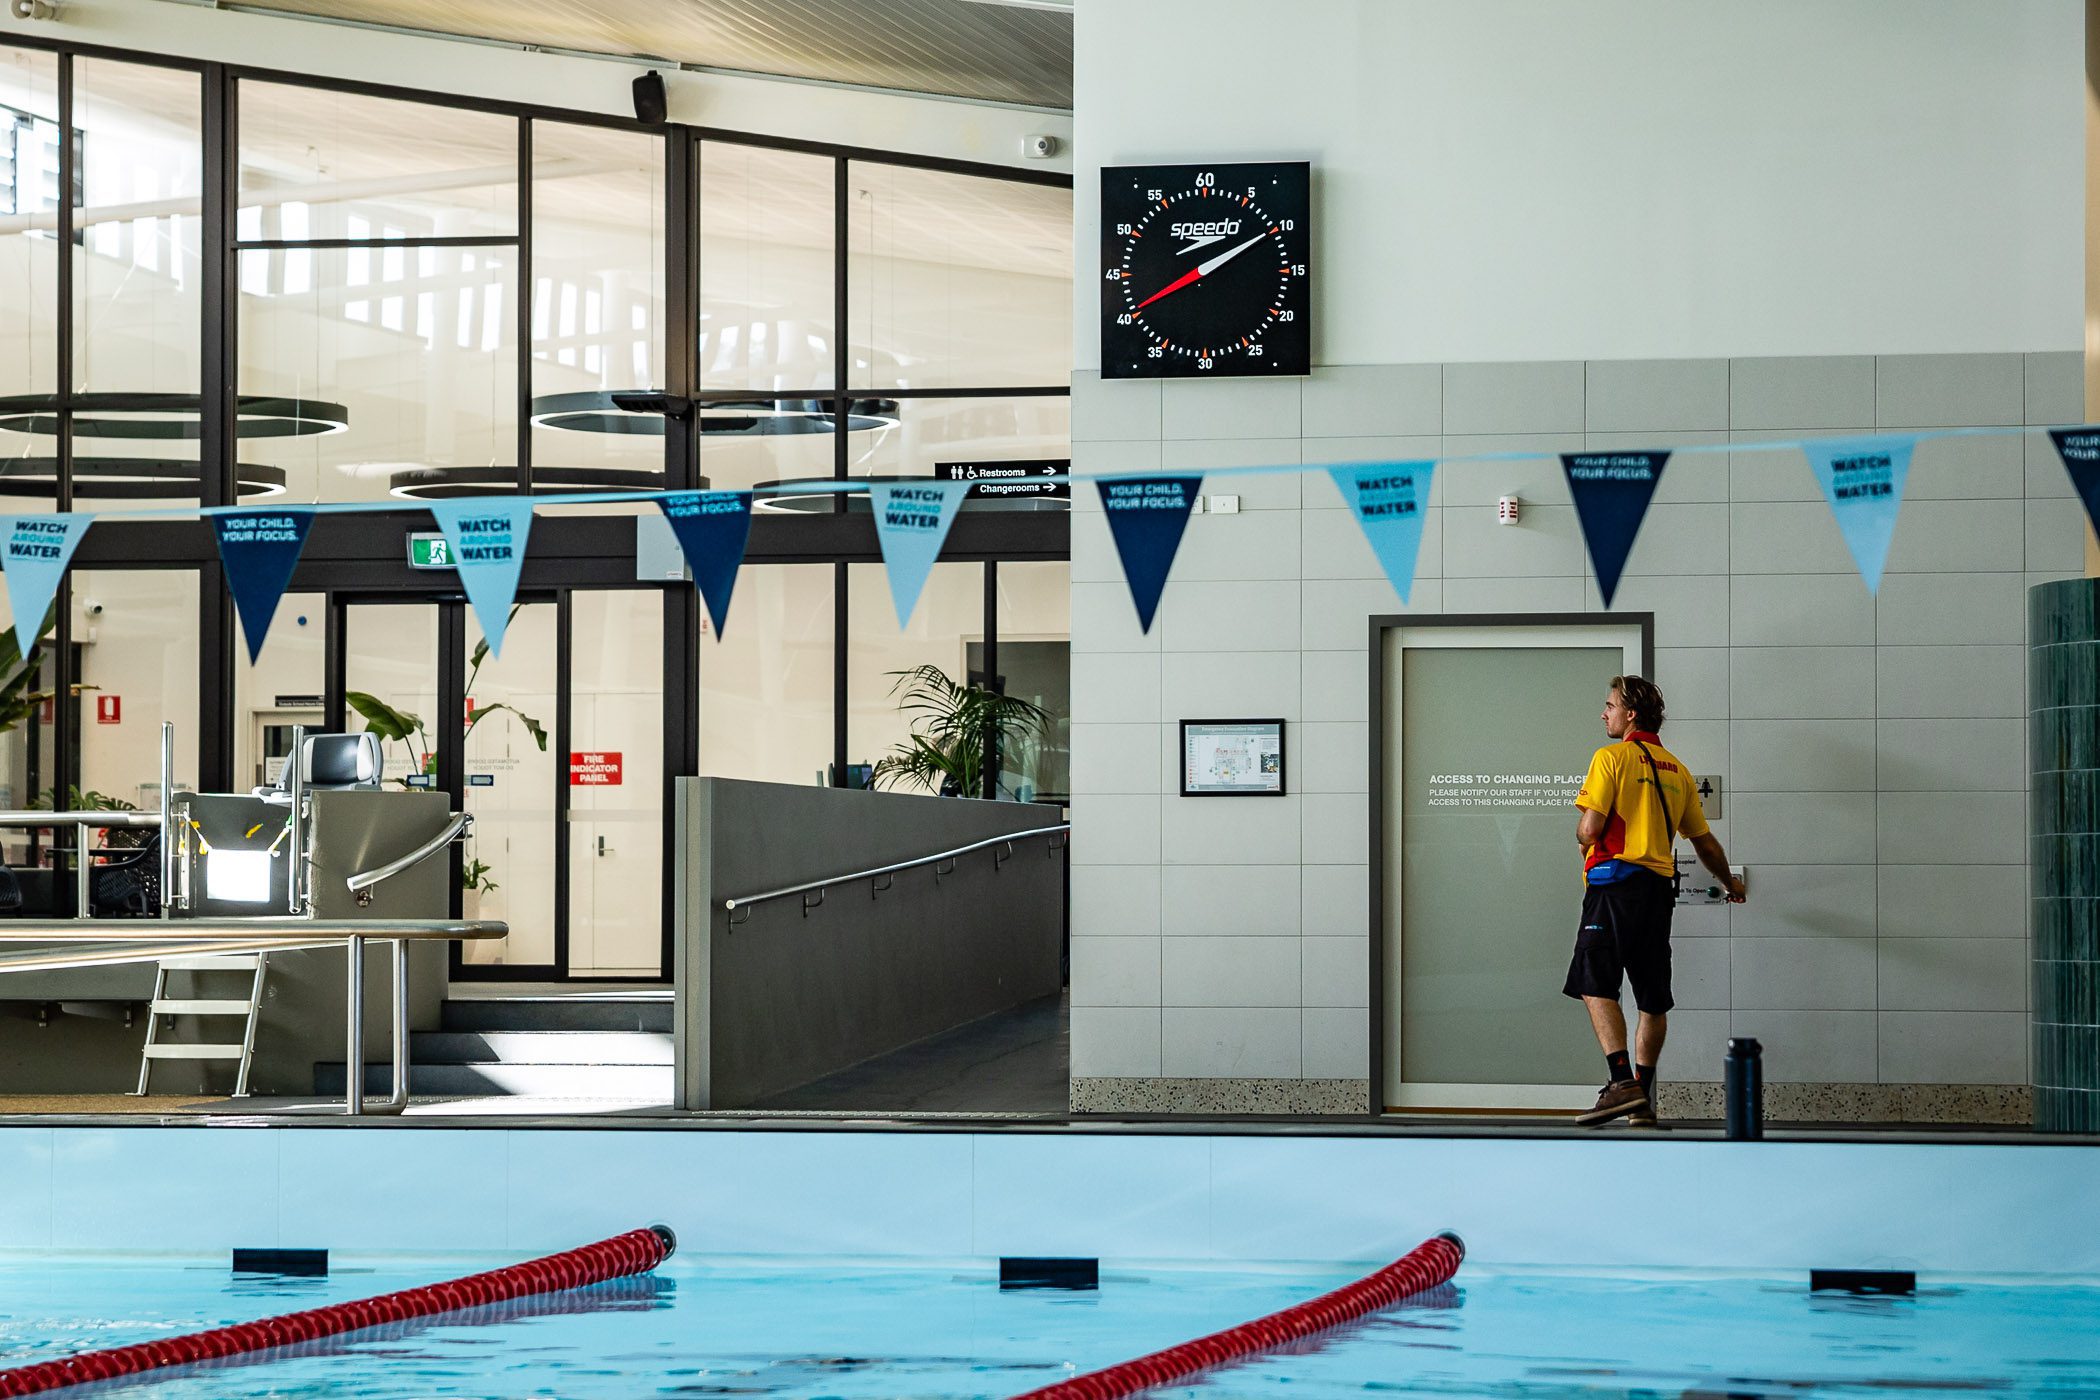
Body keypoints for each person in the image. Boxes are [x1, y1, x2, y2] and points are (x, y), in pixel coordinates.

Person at [1565, 674, 1744, 1128]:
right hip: (1657, 894)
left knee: (1594, 981)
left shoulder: (1611, 758)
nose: (1604, 713)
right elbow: (1705, 844)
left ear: (1631, 715)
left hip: (1614, 886)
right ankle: (1641, 1100)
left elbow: (1589, 829)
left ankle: (1621, 1082)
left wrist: (1582, 836)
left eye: (1609, 705)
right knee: (1652, 998)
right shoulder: (1677, 770)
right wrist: (1730, 885)